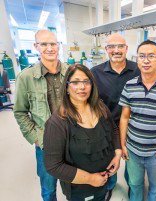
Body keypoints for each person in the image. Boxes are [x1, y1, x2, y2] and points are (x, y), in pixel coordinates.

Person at [43, 64, 122, 201]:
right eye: (75, 82)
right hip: (80, 189)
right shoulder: (57, 123)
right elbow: (53, 166)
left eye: (86, 81)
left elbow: (113, 129)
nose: (82, 87)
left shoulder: (100, 107)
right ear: (67, 86)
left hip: (104, 179)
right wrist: (90, 179)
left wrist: (117, 152)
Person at [119, 40, 156, 201]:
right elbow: (124, 117)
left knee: (155, 187)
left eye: (151, 56)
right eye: (142, 56)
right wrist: (123, 144)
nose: (146, 60)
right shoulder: (129, 86)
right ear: (137, 59)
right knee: (135, 184)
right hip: (133, 150)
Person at [13, 30, 68, 201]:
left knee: (74, 184)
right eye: (44, 44)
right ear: (36, 46)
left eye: (53, 43)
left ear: (58, 45)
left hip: (72, 140)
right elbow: (20, 112)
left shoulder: (72, 72)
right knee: (48, 188)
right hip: (45, 144)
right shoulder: (26, 77)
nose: (50, 48)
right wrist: (36, 138)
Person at [91, 33, 140, 200]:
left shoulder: (138, 69)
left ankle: (132, 185)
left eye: (120, 46)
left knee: (132, 164)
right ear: (106, 49)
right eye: (112, 46)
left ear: (126, 49)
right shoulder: (95, 73)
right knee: (109, 161)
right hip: (107, 128)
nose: (116, 50)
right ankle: (110, 186)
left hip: (133, 127)